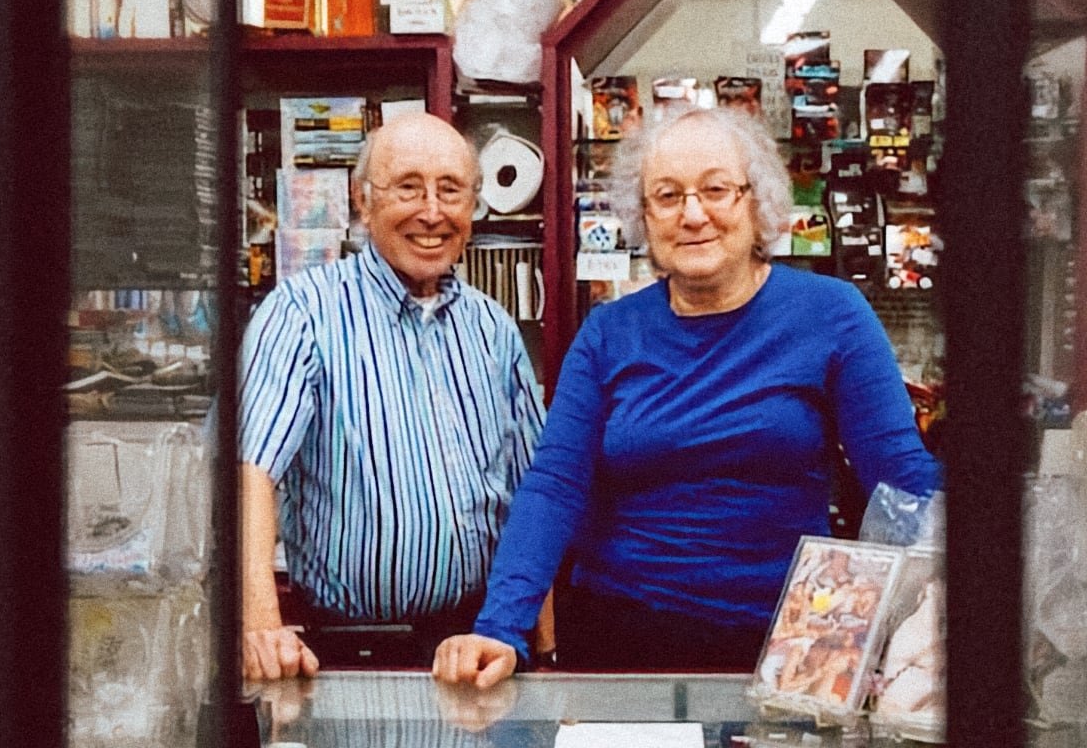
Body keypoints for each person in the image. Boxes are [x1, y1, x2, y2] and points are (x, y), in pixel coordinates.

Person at [433, 106, 940, 687]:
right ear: (644, 217)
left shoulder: (832, 315)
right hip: (619, 637)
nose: (693, 214)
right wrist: (501, 627)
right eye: (668, 196)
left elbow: (900, 479)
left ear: (757, 202)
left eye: (716, 190)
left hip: (788, 643)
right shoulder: (607, 332)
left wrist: (951, 593)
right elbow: (555, 484)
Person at [240, 113, 545, 681]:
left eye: (451, 190)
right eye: (408, 187)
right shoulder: (303, 312)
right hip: (348, 652)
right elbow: (252, 469)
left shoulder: (494, 329)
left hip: (477, 646)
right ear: (363, 200)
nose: (432, 212)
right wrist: (260, 623)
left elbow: (538, 494)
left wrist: (545, 648)